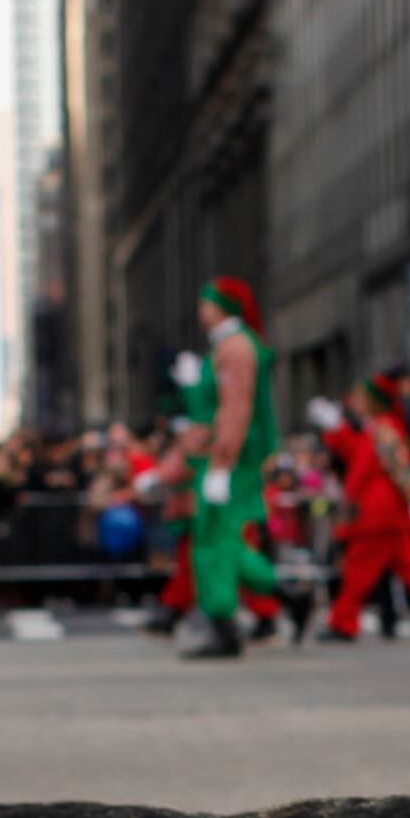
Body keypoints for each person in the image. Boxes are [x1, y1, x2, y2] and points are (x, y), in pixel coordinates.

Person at [172, 276, 275, 659]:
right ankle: (282, 594)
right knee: (224, 542)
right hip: (226, 458)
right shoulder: (228, 347)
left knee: (213, 543)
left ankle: (224, 629)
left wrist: (221, 464)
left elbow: (235, 408)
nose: (200, 311)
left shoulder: (234, 348)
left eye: (206, 303)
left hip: (231, 461)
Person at [314, 379, 410, 641]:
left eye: (360, 398)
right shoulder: (377, 427)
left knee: (360, 570)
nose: (354, 402)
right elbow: (355, 450)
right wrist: (336, 428)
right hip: (384, 511)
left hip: (379, 512)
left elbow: (390, 467)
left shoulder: (384, 428)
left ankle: (343, 622)